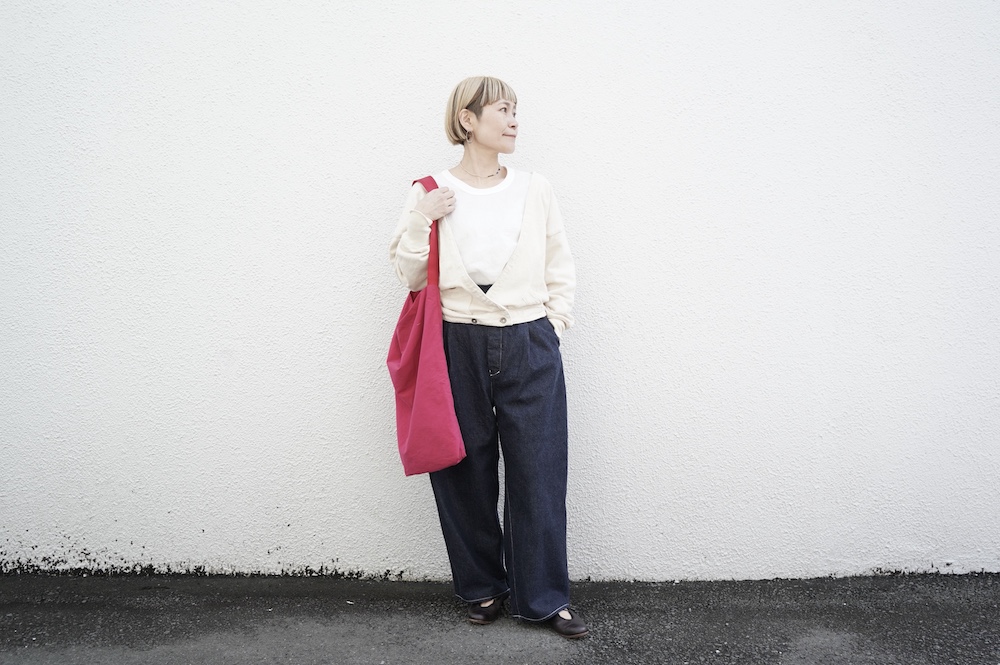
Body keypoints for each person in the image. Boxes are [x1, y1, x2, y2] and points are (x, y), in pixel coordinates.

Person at [388, 76, 588, 639]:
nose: (515, 120)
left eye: (516, 109)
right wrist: (424, 216)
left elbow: (558, 260)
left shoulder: (534, 188)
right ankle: (482, 587)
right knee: (463, 471)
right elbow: (409, 275)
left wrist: (554, 323)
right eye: (503, 109)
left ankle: (545, 597)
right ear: (468, 120)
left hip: (528, 341)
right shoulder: (430, 190)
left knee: (539, 472)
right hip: (457, 342)